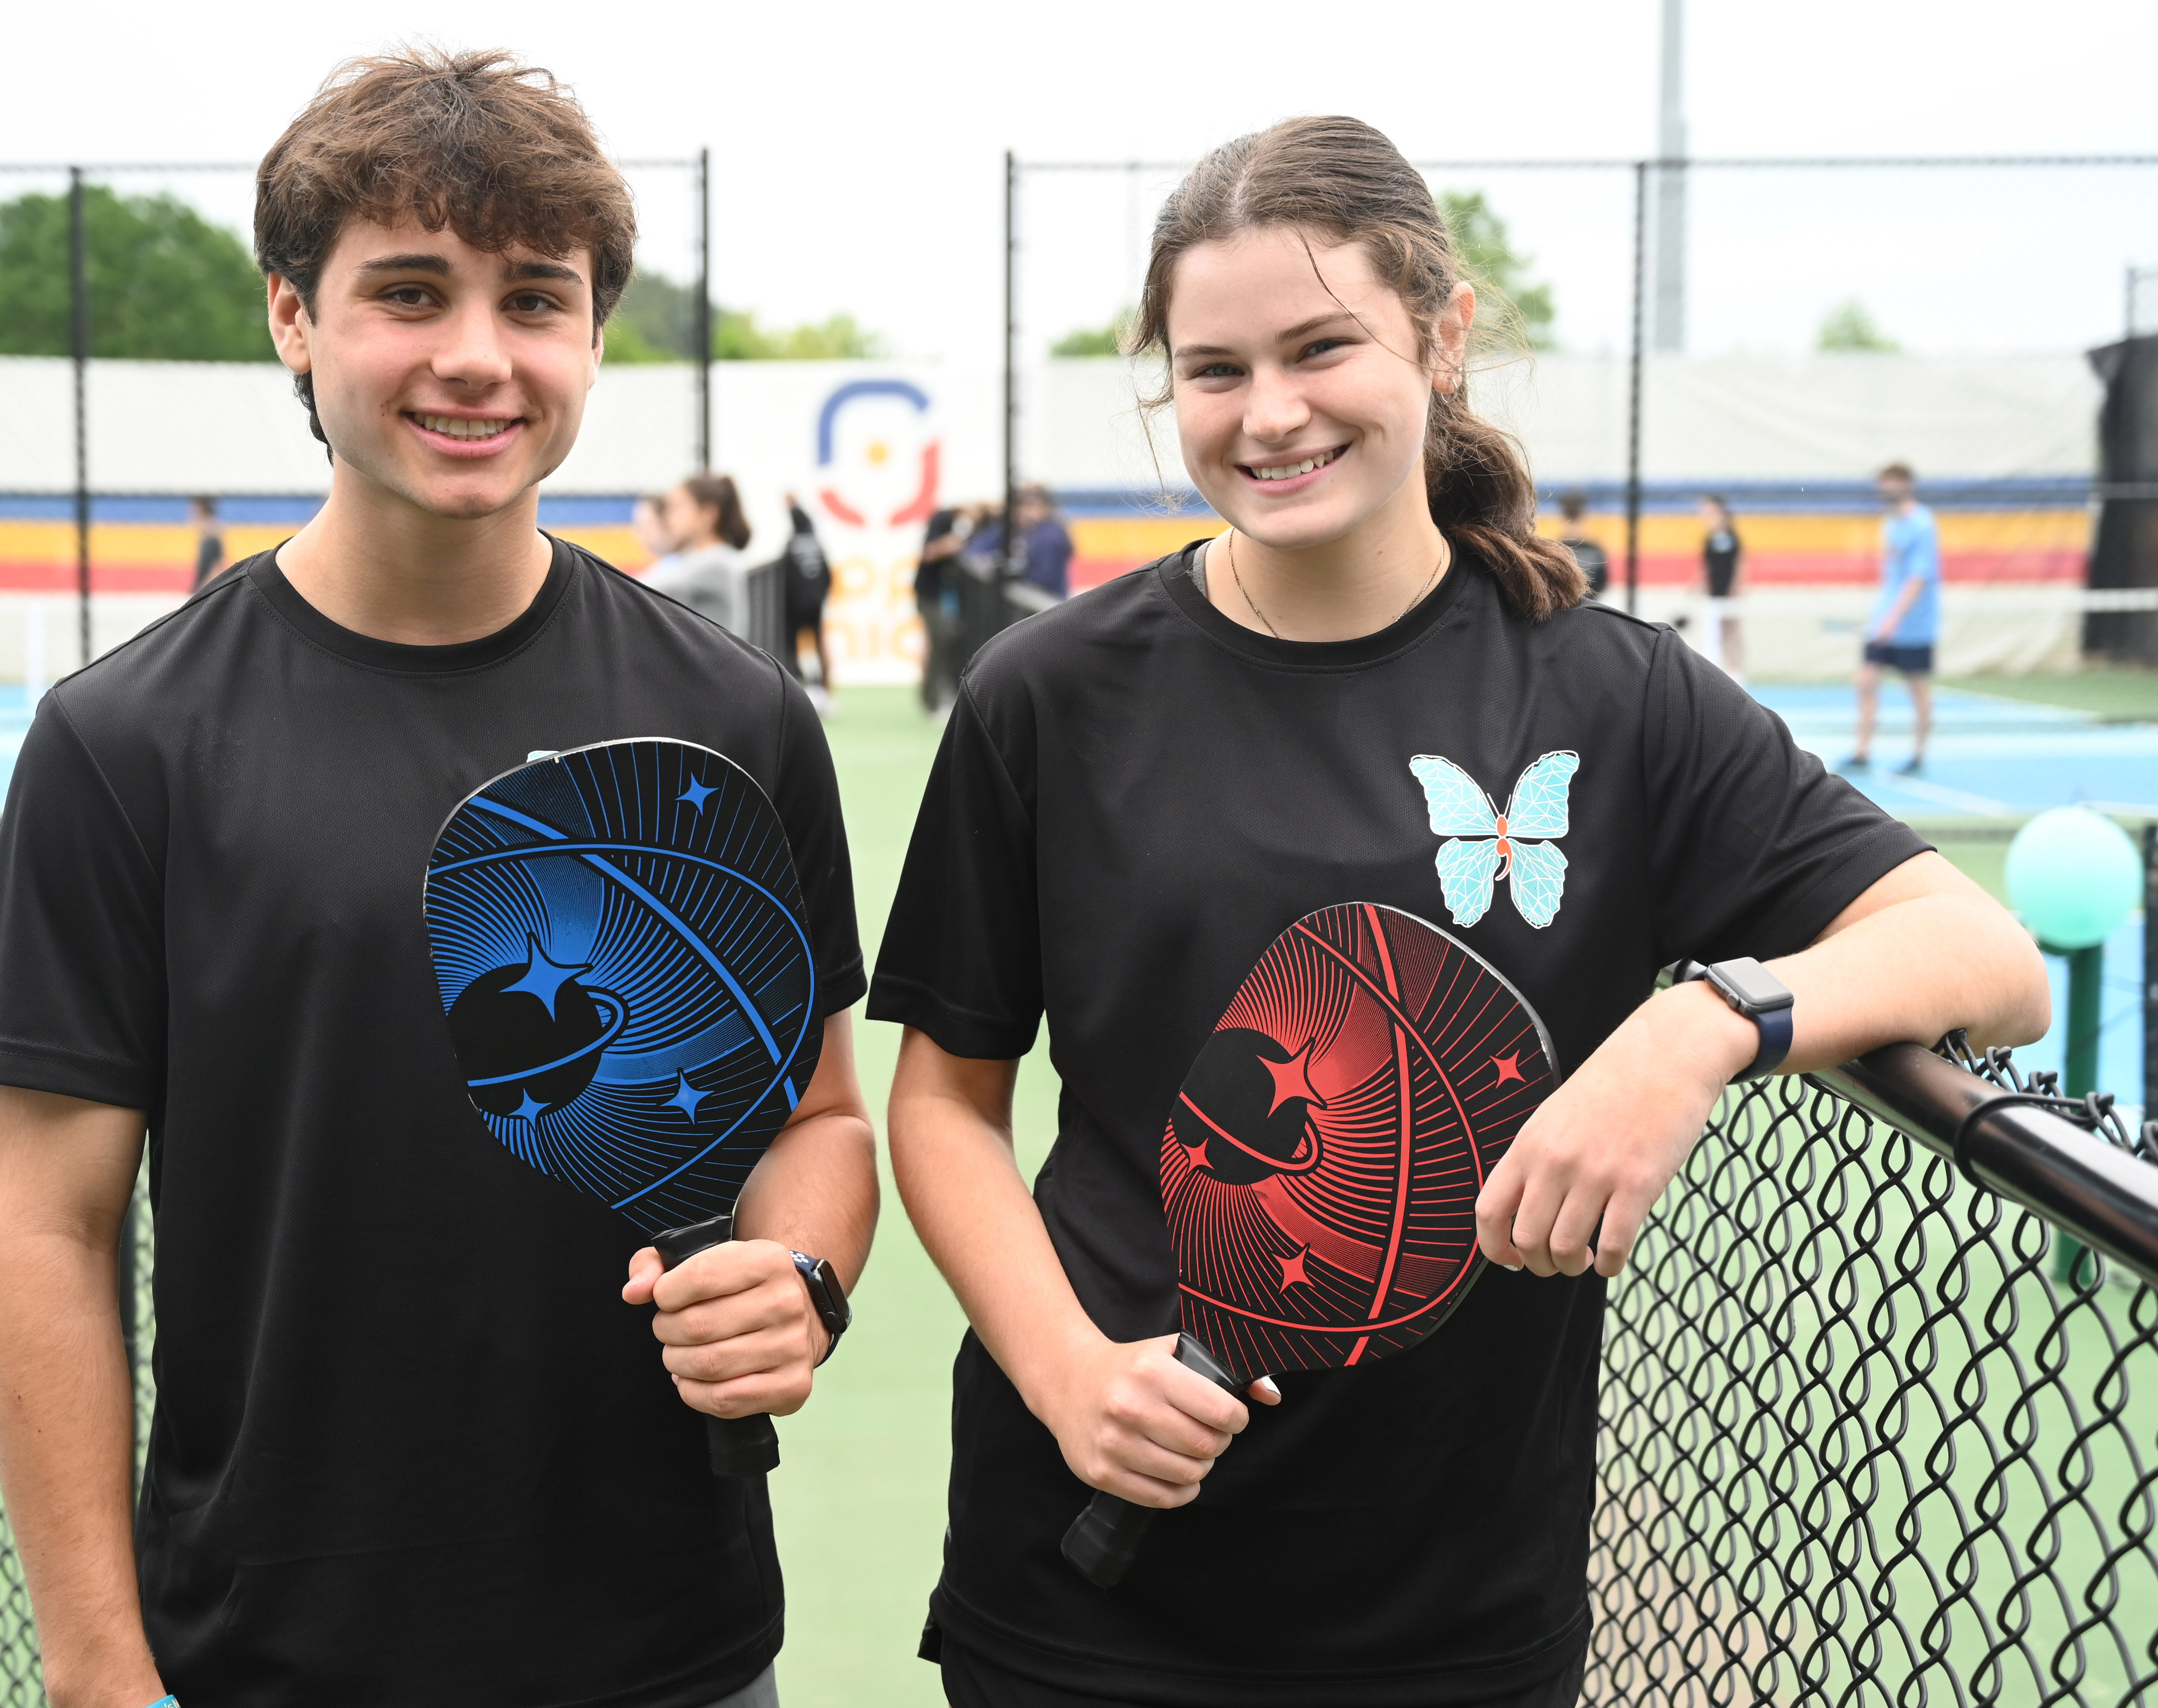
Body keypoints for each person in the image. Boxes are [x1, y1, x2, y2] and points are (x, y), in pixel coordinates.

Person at [870, 116, 2047, 1708]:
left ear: (1437, 333)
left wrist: (1696, 1025)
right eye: (1212, 369)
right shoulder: (1047, 695)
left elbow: (1983, 958)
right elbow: (943, 1098)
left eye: (1318, 347)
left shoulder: (1613, 696)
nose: (1266, 412)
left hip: (1454, 1606)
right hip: (1084, 1584)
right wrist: (1064, 1369)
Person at [0, 49, 874, 1708]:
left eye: (536, 299)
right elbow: (46, 1223)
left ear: (594, 335)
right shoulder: (125, 742)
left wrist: (799, 1278)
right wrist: (97, 1665)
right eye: (407, 291)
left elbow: (818, 1119)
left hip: (673, 1651)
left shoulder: (734, 720)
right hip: (268, 1658)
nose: (476, 355)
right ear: (293, 318)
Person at [1846, 463, 1939, 775]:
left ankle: (1918, 754)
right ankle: (1862, 751)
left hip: (1914, 627)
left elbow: (1918, 579)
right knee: (1865, 681)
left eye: (1890, 484)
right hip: (1883, 621)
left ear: (1906, 485)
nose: (1884, 491)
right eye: (1882, 484)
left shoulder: (1923, 524)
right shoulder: (1890, 524)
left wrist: (1894, 619)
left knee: (1918, 689)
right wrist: (1881, 618)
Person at [646, 471, 751, 634]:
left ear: (707, 515)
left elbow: (641, 588)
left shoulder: (716, 563)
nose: (668, 518)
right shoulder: (694, 558)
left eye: (677, 507)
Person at [778, 494, 835, 711]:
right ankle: (824, 692)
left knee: (792, 648)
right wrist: (820, 596)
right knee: (820, 646)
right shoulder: (817, 544)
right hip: (816, 604)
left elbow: (785, 579)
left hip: (795, 607)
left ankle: (795, 693)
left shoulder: (791, 545)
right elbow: (828, 576)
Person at [914, 504, 969, 715]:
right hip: (931, 597)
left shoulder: (948, 521)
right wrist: (954, 543)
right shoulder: (943, 520)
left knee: (943, 644)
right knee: (939, 644)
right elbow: (929, 552)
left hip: (940, 598)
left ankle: (935, 698)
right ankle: (932, 701)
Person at [1700, 493, 1744, 680]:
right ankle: (1714, 672)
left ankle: (1735, 670)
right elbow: (1705, 565)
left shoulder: (1732, 537)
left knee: (1731, 631)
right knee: (1713, 632)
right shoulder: (1709, 539)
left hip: (1730, 593)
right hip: (1713, 593)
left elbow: (1740, 563)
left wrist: (1737, 587)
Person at [1556, 486, 1608, 599]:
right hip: (1590, 609)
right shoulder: (1595, 550)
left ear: (1562, 511)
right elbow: (1602, 584)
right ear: (1585, 511)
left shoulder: (1554, 550)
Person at [189, 496, 229, 592]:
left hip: (204, 587)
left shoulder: (212, 536)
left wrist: (204, 589)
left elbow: (217, 565)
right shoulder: (208, 534)